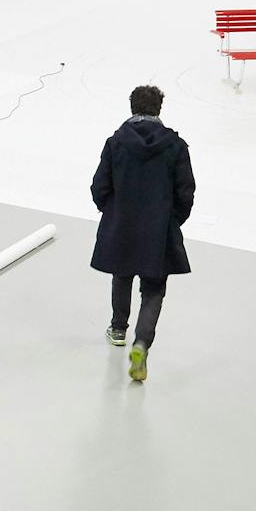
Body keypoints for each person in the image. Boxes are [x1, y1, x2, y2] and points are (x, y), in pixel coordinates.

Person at [90, 83, 195, 384]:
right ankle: (141, 344)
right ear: (159, 109)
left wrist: (111, 211)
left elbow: (100, 186)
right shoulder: (176, 147)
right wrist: (172, 220)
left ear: (132, 108)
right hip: (158, 228)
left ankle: (118, 328)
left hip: (122, 222)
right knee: (153, 288)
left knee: (121, 274)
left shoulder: (116, 142)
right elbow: (185, 192)